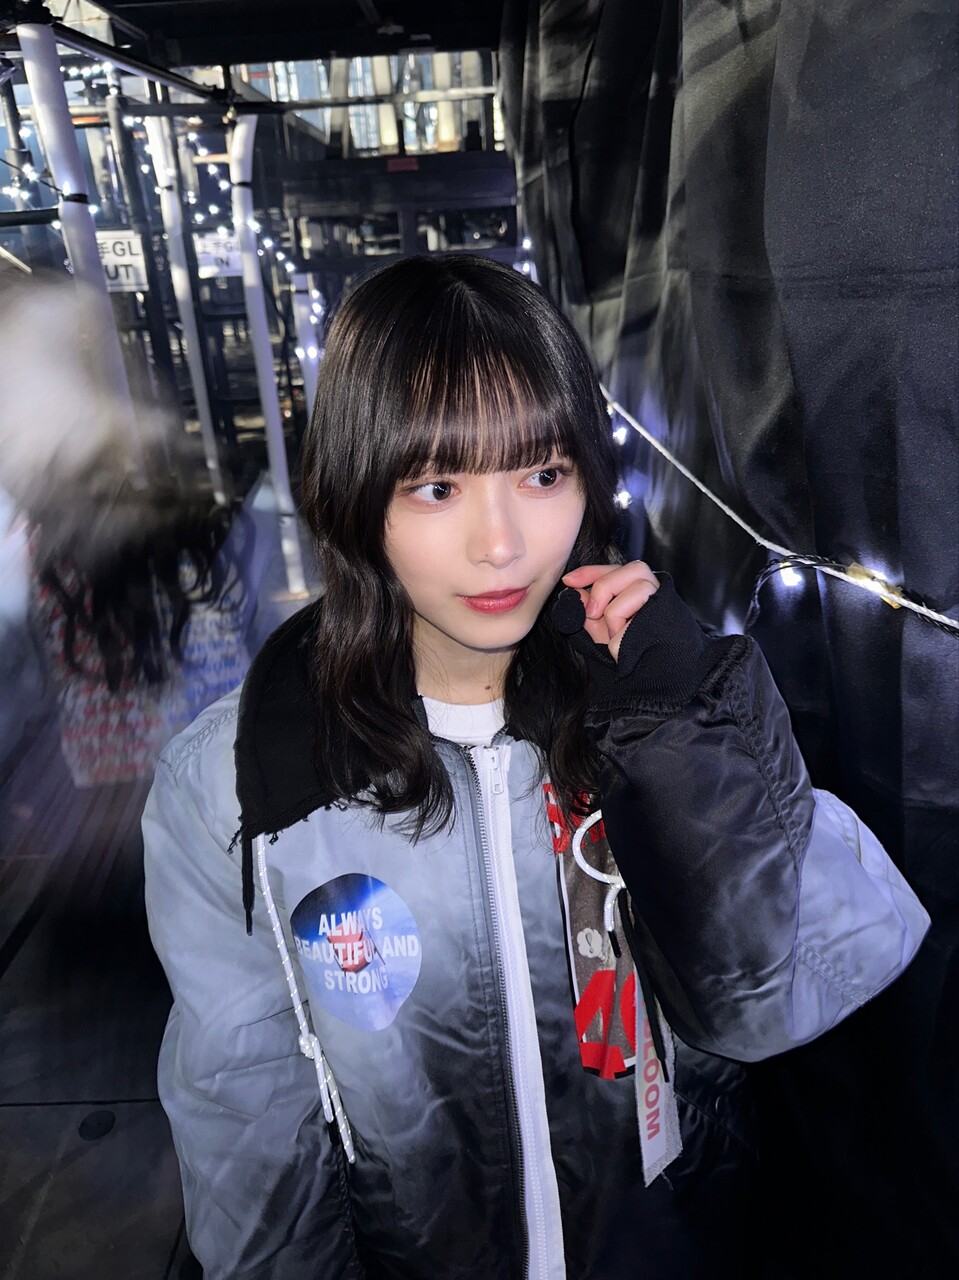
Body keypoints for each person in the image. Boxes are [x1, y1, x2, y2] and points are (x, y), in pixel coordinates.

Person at [142, 255, 928, 1280]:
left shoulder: (651, 708)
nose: (502, 544)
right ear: (353, 496)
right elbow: (247, 1140)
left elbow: (787, 995)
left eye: (542, 474)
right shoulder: (244, 778)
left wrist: (686, 733)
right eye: (436, 487)